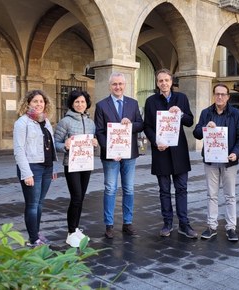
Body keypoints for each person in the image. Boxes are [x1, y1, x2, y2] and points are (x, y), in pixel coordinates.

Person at [143, 68, 197, 239]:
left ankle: (184, 224)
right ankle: (167, 223)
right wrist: (155, 141)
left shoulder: (181, 98)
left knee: (182, 189)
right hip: (161, 152)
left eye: (166, 80)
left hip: (179, 151)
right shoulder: (151, 101)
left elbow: (190, 121)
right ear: (157, 83)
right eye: (161, 81)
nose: (164, 83)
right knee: (164, 190)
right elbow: (147, 126)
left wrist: (180, 113)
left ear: (171, 82)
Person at [193, 84, 239, 242]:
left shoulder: (236, 114)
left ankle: (231, 228)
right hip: (211, 161)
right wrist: (205, 127)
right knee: (212, 195)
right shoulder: (206, 113)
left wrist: (236, 153)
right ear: (213, 95)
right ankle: (211, 226)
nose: (220, 97)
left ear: (228, 96)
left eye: (223, 94)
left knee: (230, 196)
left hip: (229, 162)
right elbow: (197, 134)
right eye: (217, 94)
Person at [94, 72, 144, 239]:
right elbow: (99, 132)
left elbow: (140, 124)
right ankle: (109, 225)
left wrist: (131, 124)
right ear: (110, 86)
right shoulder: (101, 105)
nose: (118, 87)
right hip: (110, 156)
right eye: (115, 84)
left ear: (125, 85)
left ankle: (127, 223)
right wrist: (110, 150)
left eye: (121, 84)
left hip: (129, 154)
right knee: (110, 189)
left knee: (129, 189)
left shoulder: (133, 103)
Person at [13, 89, 57, 247]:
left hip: (46, 168)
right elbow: (18, 150)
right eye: (35, 101)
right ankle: (33, 240)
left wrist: (52, 168)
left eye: (41, 101)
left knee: (39, 203)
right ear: (28, 103)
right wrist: (26, 174)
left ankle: (36, 233)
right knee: (32, 204)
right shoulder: (22, 123)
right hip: (31, 168)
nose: (39, 104)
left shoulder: (45, 121)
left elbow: (49, 147)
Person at [54, 90, 97, 247]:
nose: (80, 104)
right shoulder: (65, 122)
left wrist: (95, 144)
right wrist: (64, 145)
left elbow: (93, 143)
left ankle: (76, 228)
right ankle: (71, 232)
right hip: (71, 164)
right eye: (77, 102)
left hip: (86, 164)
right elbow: (55, 143)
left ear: (87, 104)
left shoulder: (91, 122)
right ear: (72, 104)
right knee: (76, 197)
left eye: (83, 102)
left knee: (81, 197)